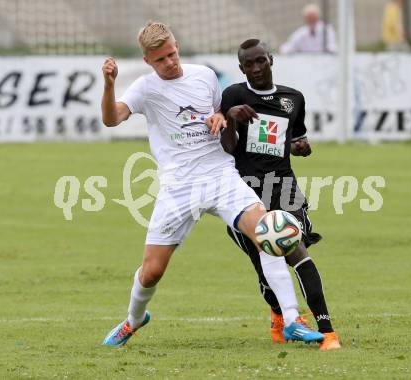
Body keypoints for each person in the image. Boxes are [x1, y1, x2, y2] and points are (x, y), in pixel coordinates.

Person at [100, 22, 324, 347]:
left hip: (220, 176)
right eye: (162, 59)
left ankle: (292, 319)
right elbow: (111, 118)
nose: (171, 62)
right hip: (179, 187)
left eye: (173, 53)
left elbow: (221, 114)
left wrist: (221, 118)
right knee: (151, 272)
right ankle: (134, 319)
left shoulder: (203, 75)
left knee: (267, 232)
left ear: (177, 46)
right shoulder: (144, 89)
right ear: (149, 61)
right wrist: (108, 85)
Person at [220, 38, 341, 350]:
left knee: (296, 250)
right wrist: (230, 118)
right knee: (265, 270)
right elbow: (227, 148)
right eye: (249, 64)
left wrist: (302, 148)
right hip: (244, 194)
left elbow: (295, 141)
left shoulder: (293, 99)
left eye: (261, 61)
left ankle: (327, 332)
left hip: (285, 189)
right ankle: (278, 316)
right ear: (241, 67)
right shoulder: (233, 95)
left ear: (271, 59)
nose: (256, 68)